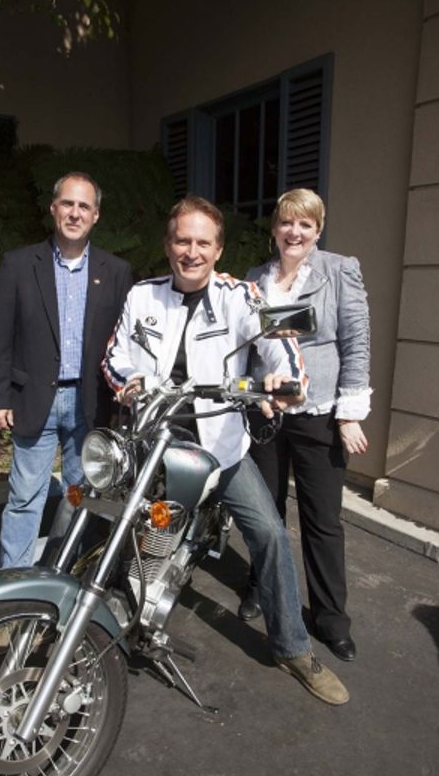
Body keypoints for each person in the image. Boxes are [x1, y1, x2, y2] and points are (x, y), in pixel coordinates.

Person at [102, 194, 349, 706]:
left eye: (203, 242)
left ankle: (292, 647)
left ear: (218, 250)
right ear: (168, 244)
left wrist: (283, 379)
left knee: (272, 536)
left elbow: (283, 351)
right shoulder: (143, 296)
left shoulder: (242, 296)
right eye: (182, 240)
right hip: (153, 438)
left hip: (219, 447)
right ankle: (104, 613)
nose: (191, 251)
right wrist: (129, 381)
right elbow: (116, 355)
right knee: (124, 522)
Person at [240, 188, 371, 664]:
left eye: (305, 225)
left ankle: (330, 619)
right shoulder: (257, 278)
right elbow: (251, 346)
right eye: (286, 223)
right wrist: (257, 391)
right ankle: (261, 587)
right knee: (265, 515)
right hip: (269, 416)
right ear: (275, 228)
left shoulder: (338, 270)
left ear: (318, 229)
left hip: (318, 415)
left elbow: (356, 342)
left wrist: (350, 410)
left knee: (322, 522)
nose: (294, 233)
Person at [0, 171, 133, 568]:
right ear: (53, 208)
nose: (75, 213)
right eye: (68, 203)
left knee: (80, 495)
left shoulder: (115, 271)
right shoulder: (18, 265)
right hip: (34, 398)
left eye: (84, 206)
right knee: (24, 495)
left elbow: (123, 343)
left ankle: (67, 571)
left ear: (96, 215)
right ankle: (14, 581)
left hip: (89, 401)